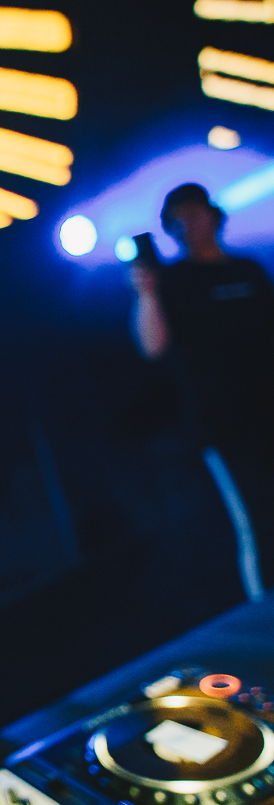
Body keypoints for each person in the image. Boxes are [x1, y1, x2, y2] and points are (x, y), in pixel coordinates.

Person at [129, 183, 274, 593]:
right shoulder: (173, 281)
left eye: (193, 214)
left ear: (212, 215)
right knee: (258, 522)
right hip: (222, 423)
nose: (188, 225)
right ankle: (264, 614)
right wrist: (146, 293)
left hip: (268, 406)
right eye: (177, 220)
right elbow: (152, 346)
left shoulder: (247, 270)